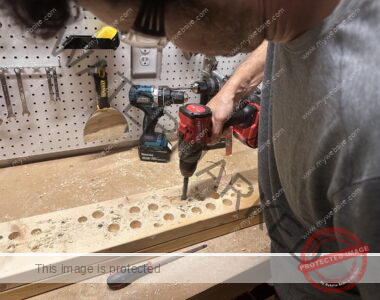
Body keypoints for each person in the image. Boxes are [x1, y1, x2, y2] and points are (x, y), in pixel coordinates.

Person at [3, 0, 379, 298]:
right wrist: (230, 93)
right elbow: (278, 33)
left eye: (146, 26)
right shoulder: (297, 14)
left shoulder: (364, 137)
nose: (168, 42)